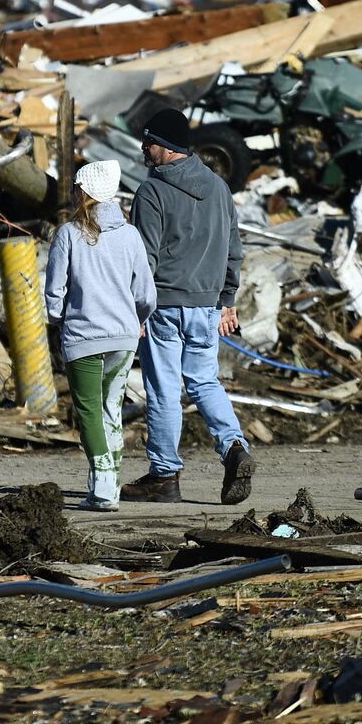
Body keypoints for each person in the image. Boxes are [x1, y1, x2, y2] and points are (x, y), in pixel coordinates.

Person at [122, 107, 254, 505]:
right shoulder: (217, 186)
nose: (144, 149)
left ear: (166, 147)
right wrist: (226, 301)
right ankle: (233, 446)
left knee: (163, 391)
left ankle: (164, 476)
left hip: (164, 304)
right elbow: (234, 249)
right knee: (204, 381)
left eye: (149, 142)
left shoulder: (153, 191)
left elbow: (143, 257)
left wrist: (137, 308)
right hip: (207, 307)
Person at [43, 159, 155, 511]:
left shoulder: (68, 235)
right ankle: (109, 481)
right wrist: (136, 319)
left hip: (83, 338)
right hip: (124, 337)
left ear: (84, 192)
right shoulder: (131, 235)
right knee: (111, 409)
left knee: (89, 412)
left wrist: (62, 320)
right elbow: (146, 294)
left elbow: (54, 294)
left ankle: (104, 486)